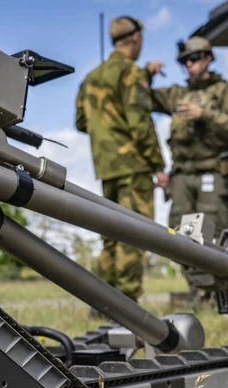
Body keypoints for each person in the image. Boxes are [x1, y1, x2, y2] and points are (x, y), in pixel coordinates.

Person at [75, 15, 168, 306]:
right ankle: (127, 306)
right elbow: (140, 123)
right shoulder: (131, 72)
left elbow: (81, 122)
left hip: (106, 168)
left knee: (110, 237)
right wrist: (158, 165)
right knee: (134, 235)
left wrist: (107, 126)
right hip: (134, 167)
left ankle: (101, 304)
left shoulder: (91, 78)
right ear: (136, 38)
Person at [151, 36, 228, 290]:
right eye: (184, 61)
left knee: (214, 232)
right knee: (179, 235)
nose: (189, 65)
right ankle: (197, 292)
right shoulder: (177, 94)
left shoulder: (224, 93)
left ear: (208, 58)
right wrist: (146, 73)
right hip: (182, 176)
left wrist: (205, 115)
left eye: (194, 59)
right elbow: (142, 97)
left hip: (212, 172)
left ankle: (219, 292)